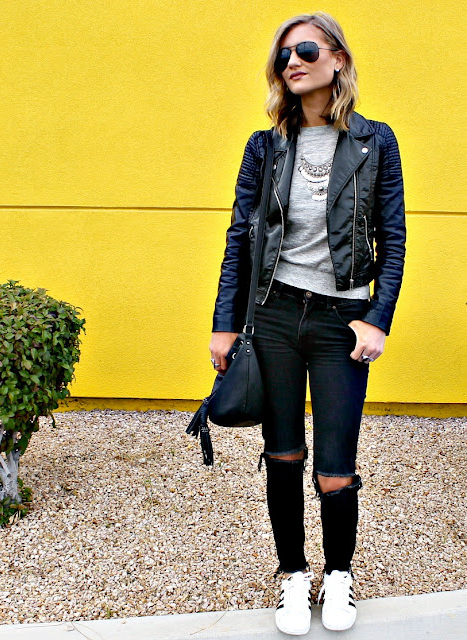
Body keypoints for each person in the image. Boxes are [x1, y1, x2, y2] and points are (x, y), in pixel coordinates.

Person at [209, 12, 405, 635]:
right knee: (283, 452)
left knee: (335, 464)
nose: (292, 62)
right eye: (283, 55)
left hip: (341, 320)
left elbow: (394, 240)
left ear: (338, 59)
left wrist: (377, 319)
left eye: (306, 50)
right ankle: (293, 574)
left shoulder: (376, 142)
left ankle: (339, 574)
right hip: (272, 315)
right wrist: (224, 323)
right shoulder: (264, 145)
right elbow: (240, 238)